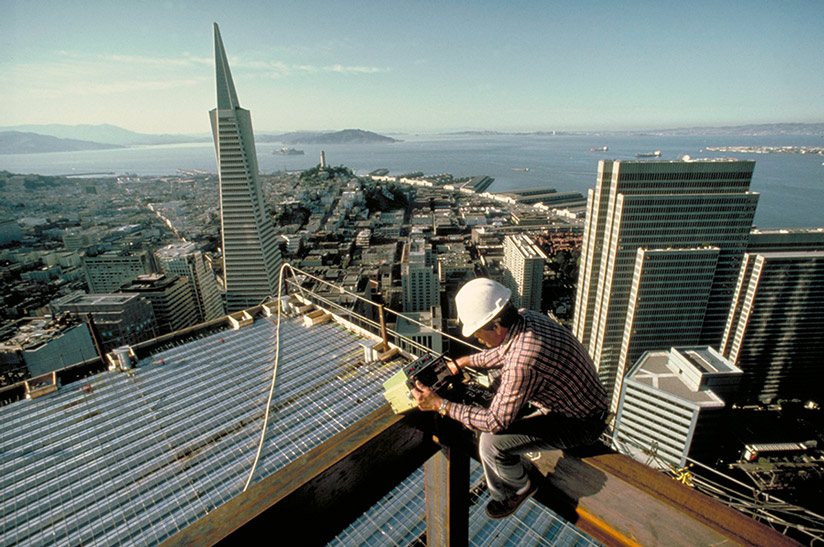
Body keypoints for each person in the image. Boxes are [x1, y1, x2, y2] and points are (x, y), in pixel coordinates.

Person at [411, 277, 608, 519]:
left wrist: (440, 405)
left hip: (580, 423)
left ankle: (516, 489)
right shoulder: (526, 318)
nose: (477, 340)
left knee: (490, 444)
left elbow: (495, 422)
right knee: (494, 394)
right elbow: (501, 353)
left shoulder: (522, 363)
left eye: (478, 333)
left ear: (495, 325)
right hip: (579, 402)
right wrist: (464, 361)